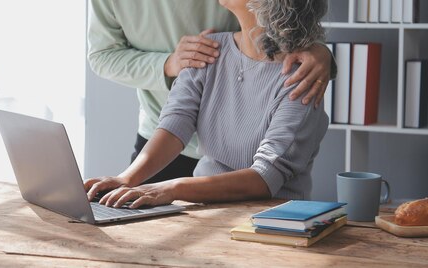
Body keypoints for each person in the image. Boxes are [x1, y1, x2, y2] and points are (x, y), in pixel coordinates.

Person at [84, 0, 329, 208]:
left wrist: (173, 188)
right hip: (205, 213)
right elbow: (176, 122)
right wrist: (126, 178)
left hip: (271, 223)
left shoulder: (300, 78)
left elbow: (265, 177)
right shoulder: (209, 49)